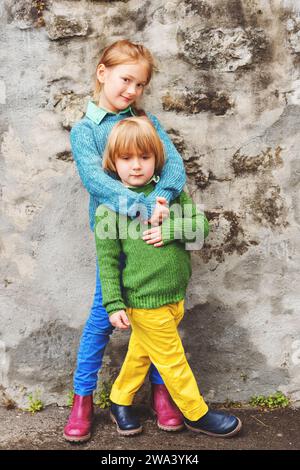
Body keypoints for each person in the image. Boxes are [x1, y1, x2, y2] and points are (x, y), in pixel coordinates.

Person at [64, 39, 187, 442]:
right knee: (103, 316)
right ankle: (83, 400)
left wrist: (163, 201)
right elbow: (96, 182)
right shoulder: (85, 132)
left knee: (155, 314)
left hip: (153, 240)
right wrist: (141, 207)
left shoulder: (147, 122)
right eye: (125, 79)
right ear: (103, 73)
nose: (132, 90)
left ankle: (161, 391)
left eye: (140, 85)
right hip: (114, 237)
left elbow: (174, 169)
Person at [95, 116, 242, 438]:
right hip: (144, 302)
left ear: (156, 160)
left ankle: (119, 401)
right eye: (126, 158)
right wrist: (113, 304)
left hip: (175, 296)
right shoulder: (111, 210)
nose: (136, 166)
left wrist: (171, 229)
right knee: (173, 361)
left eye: (144, 157)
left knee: (141, 354)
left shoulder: (171, 195)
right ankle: (196, 413)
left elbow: (200, 230)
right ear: (112, 163)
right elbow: (106, 264)